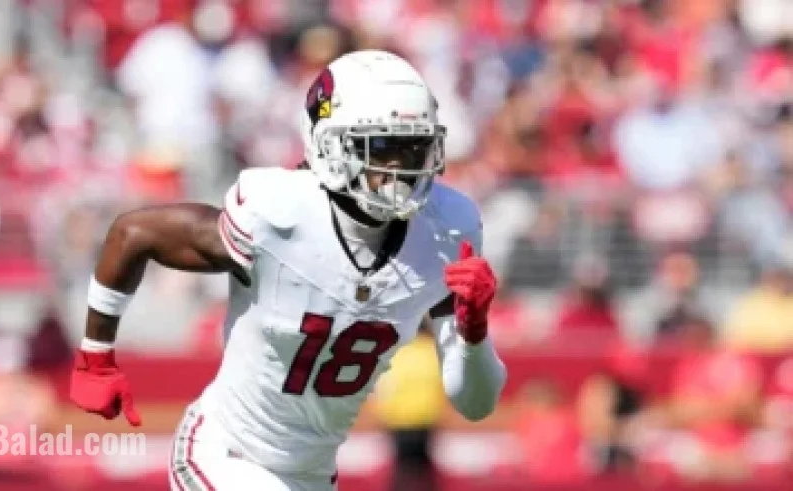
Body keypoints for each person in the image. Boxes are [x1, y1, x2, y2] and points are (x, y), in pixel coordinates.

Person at [69, 50, 507, 491]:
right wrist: (95, 357)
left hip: (311, 477)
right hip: (225, 454)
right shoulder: (279, 213)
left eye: (414, 148)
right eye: (384, 148)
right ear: (330, 144)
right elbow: (134, 233)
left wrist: (474, 334)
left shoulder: (445, 231)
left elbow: (475, 404)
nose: (402, 169)